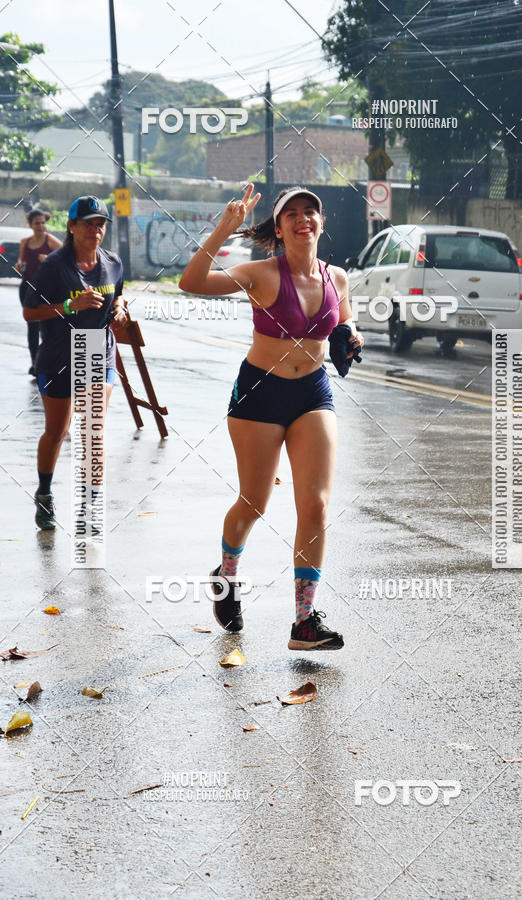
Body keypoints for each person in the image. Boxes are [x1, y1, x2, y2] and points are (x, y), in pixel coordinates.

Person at [179, 184, 363, 651]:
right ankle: (227, 574)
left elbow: (346, 321)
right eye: (293, 214)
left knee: (316, 505)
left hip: (312, 393)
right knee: (255, 503)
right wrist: (225, 226)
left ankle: (304, 621)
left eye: (311, 212)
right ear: (279, 229)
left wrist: (350, 338)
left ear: (320, 224)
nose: (304, 219)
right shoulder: (259, 274)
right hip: (259, 395)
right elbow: (192, 283)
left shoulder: (336, 278)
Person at [22, 195, 128, 530]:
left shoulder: (112, 263)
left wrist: (121, 307)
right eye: (87, 224)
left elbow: (119, 291)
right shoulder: (54, 266)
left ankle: (90, 504)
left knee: (93, 430)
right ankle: (44, 492)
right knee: (57, 431)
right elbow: (29, 312)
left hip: (97, 349)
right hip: (57, 356)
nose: (95, 231)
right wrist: (71, 306)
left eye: (100, 224)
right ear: (71, 227)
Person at [14, 208, 62, 375]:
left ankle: (47, 362)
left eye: (43, 222)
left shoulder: (51, 241)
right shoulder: (24, 243)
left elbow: (66, 261)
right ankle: (35, 363)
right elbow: (21, 263)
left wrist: (48, 260)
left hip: (46, 291)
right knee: (32, 326)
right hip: (27, 288)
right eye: (37, 223)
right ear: (30, 225)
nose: (41, 226)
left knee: (46, 327)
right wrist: (19, 266)